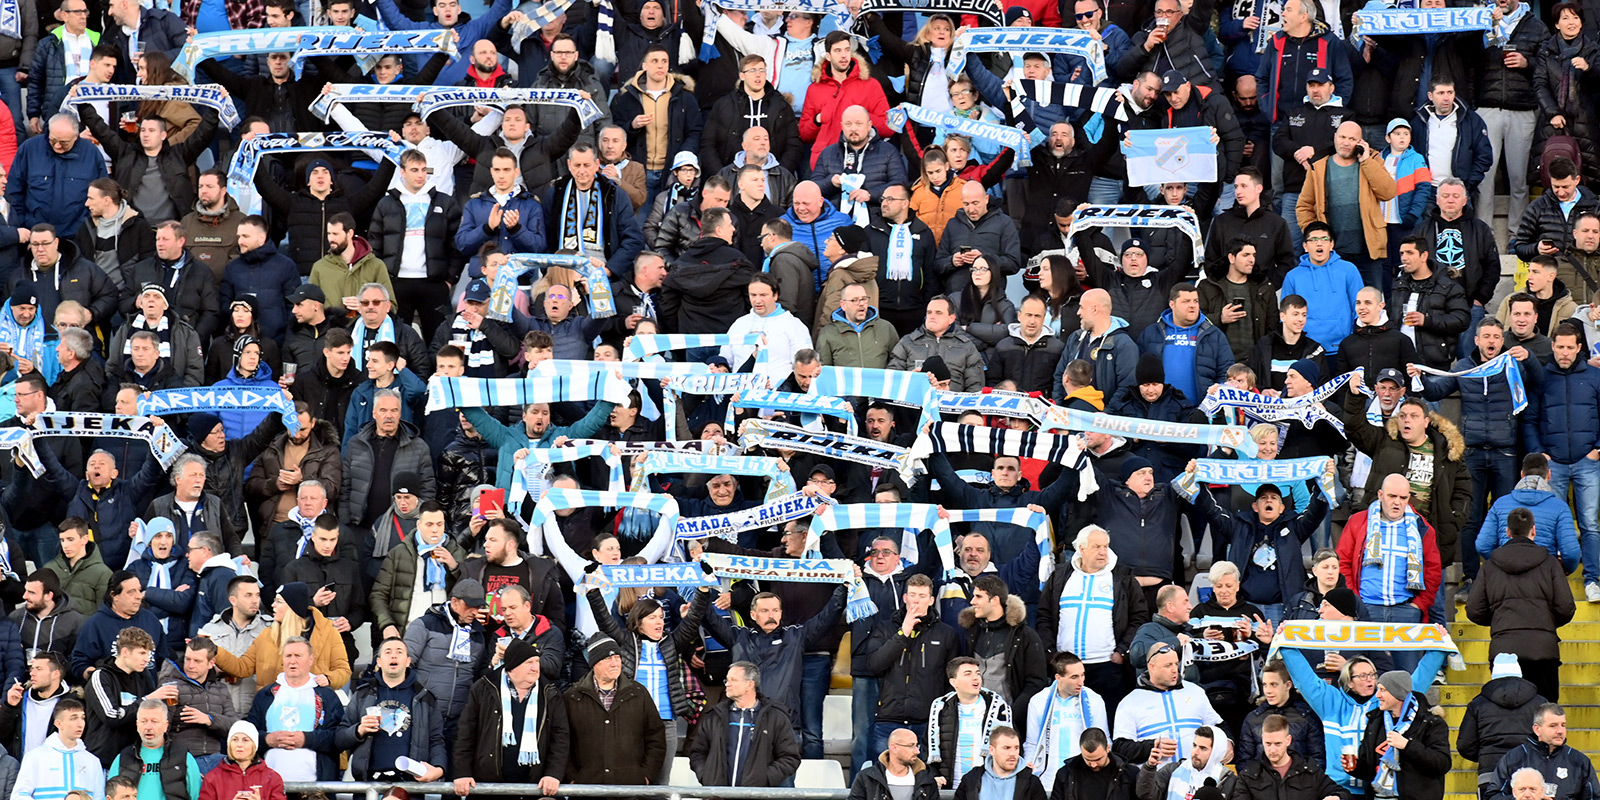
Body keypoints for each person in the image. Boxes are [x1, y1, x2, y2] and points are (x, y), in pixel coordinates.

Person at [1521, 323, 1600, 601]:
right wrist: (1539, 452)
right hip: (1552, 464)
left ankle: (1593, 580)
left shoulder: (1594, 377)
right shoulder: (1541, 378)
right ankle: (1550, 581)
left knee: (1590, 523)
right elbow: (1529, 419)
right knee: (1550, 522)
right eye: (1560, 347)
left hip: (1588, 461)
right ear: (1552, 346)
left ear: (1579, 348)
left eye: (1570, 347)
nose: (1564, 353)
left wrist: (1598, 448)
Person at [1467, 508, 1576, 703]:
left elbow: (1474, 610)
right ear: (1533, 530)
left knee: (1507, 716)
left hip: (1504, 651)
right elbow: (1566, 607)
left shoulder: (1490, 566)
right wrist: (1547, 623)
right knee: (1545, 716)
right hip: (1543, 651)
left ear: (1508, 532)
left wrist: (1499, 621)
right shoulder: (1550, 563)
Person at [451, 638, 567, 795]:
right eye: (529, 662)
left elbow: (560, 738)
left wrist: (553, 773)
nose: (535, 668)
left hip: (535, 788)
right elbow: (465, 733)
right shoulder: (483, 688)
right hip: (488, 787)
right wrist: (462, 772)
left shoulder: (550, 693)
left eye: (537, 662)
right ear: (512, 667)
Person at [335, 637, 446, 782]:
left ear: (408, 661)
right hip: (368, 784)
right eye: (388, 652)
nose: (393, 655)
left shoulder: (424, 697)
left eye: (399, 652)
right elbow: (339, 739)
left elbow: (436, 740)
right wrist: (359, 730)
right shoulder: (363, 694)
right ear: (379, 662)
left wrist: (439, 769)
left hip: (410, 785)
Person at [563, 636, 667, 787]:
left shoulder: (638, 693)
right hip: (587, 790)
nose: (615, 663)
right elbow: (561, 742)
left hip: (630, 789)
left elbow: (656, 737)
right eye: (607, 658)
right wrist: (573, 777)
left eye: (617, 657)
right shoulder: (572, 697)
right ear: (594, 664)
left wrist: (645, 775)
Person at [213, 583, 352, 692]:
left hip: (312, 706)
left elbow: (343, 670)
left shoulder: (329, 632)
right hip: (273, 705)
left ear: (293, 607)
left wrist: (328, 678)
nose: (273, 605)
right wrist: (214, 650)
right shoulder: (266, 634)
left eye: (279, 602)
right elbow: (242, 667)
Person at [243, 637, 344, 782]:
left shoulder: (326, 696)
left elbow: (339, 739)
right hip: (269, 787)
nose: (292, 661)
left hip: (315, 789)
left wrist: (307, 739)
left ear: (311, 660)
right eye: (288, 656)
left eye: (298, 656)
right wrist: (267, 739)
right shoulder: (266, 695)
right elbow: (248, 735)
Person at [687, 660, 801, 787]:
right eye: (727, 680)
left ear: (750, 684)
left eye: (733, 680)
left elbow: (790, 758)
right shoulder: (714, 716)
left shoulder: (776, 717)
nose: (727, 685)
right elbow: (697, 752)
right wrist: (707, 776)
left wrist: (764, 779)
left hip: (756, 796)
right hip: (717, 795)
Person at [1348, 670, 1451, 800]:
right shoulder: (1375, 722)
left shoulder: (1430, 723)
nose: (1377, 695)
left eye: (1383, 690)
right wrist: (1354, 767)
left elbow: (1442, 764)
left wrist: (1407, 745)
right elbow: (1369, 770)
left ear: (1398, 693)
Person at [1113, 642, 1222, 761]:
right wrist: (1152, 746)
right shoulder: (1130, 702)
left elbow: (1217, 725)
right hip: (1155, 777)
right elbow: (1120, 749)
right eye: (1168, 665)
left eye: (1176, 664)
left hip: (1196, 775)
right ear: (1151, 667)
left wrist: (1228, 743)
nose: (1175, 670)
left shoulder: (1195, 691)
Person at [1458, 655, 1548, 792]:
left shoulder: (1478, 703)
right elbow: (1549, 739)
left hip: (1490, 771)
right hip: (1531, 772)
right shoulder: (1540, 702)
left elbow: (1465, 744)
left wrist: (1484, 754)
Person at [6, 115, 106, 238]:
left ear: (76, 137)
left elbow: (102, 194)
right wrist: (21, 227)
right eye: (53, 140)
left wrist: (88, 228)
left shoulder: (91, 153)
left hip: (78, 236)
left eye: (64, 142)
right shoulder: (30, 149)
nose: (57, 146)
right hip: (36, 235)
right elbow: (14, 192)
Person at [1022, 651, 1108, 787]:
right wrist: (1029, 771)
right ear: (1058, 677)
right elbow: (1032, 743)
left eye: (1082, 674)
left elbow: (1104, 741)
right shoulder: (1038, 701)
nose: (1081, 681)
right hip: (1047, 779)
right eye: (1074, 677)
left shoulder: (1094, 700)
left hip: (1083, 779)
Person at [926, 657, 1014, 789]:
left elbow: (1011, 745)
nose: (976, 678)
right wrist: (934, 776)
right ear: (953, 682)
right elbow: (927, 749)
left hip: (988, 788)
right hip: (952, 789)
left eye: (978, 673)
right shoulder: (940, 709)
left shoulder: (997, 708)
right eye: (968, 674)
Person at [157, 638, 238, 775]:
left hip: (215, 757)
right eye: (187, 659)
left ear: (211, 663)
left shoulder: (221, 689)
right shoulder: (171, 686)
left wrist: (209, 719)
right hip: (183, 757)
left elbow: (235, 726)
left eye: (197, 661)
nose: (190, 665)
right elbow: (160, 726)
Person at [83, 627, 161, 767]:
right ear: (125, 652)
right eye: (142, 653)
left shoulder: (144, 676)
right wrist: (147, 700)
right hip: (103, 762)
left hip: (134, 760)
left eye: (148, 654)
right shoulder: (101, 676)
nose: (147, 659)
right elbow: (111, 716)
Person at [1488, 704, 1599, 800]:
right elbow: (1492, 796)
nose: (1560, 731)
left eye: (1563, 725)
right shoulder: (1514, 758)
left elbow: (1594, 797)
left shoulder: (1579, 761)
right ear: (1537, 729)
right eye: (1553, 725)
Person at [196, 577, 270, 714]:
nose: (255, 600)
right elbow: (195, 670)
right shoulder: (210, 629)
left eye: (257, 595)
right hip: (217, 713)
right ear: (233, 600)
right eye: (248, 595)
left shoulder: (270, 629)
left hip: (256, 711)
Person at [1233, 713, 1348, 800]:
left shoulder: (1310, 771)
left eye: (1278, 744)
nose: (1272, 750)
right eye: (1268, 744)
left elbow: (1343, 793)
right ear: (1262, 739)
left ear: (1288, 740)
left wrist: (1336, 797)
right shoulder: (1249, 775)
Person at [106, 699, 201, 800]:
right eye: (144, 721)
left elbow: (196, 795)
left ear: (166, 726)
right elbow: (111, 794)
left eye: (154, 721)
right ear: (137, 725)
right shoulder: (123, 758)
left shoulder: (183, 757)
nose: (148, 727)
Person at [887, 298, 986, 392]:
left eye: (938, 313)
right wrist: (909, 379)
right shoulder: (908, 342)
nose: (932, 316)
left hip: (950, 405)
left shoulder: (966, 346)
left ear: (951, 318)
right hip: (913, 403)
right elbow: (891, 378)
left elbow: (975, 387)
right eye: (929, 312)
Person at [1237, 659, 1324, 766]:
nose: (1268, 690)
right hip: (1262, 782)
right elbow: (1244, 762)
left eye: (1273, 684)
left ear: (1288, 685)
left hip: (1300, 781)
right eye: (1265, 685)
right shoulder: (1253, 718)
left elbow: (1318, 759)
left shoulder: (1307, 716)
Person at [10, 699, 103, 800]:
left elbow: (99, 797)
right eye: (73, 718)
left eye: (82, 718)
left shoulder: (92, 761)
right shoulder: (35, 757)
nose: (80, 724)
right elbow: (19, 795)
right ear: (58, 723)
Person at [1134, 726, 1236, 800]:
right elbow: (1145, 794)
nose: (1195, 752)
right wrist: (1149, 767)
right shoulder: (1173, 770)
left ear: (1216, 752)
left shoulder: (1228, 781)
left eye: (1203, 748)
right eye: (1194, 745)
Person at [951, 725, 1047, 800]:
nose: (1012, 753)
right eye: (1006, 748)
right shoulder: (971, 780)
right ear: (992, 750)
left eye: (1016, 748)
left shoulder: (1031, 782)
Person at [197, 722, 286, 800]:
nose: (239, 745)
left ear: (254, 745)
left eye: (245, 740)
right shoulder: (213, 778)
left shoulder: (273, 778)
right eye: (235, 739)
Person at [849, 727, 941, 800]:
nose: (917, 751)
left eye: (917, 745)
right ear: (894, 748)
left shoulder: (927, 780)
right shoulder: (867, 778)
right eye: (911, 746)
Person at [1048, 728, 1139, 800]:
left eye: (1098, 759)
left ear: (1108, 748)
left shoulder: (1129, 774)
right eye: (1088, 759)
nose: (1093, 764)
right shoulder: (1065, 774)